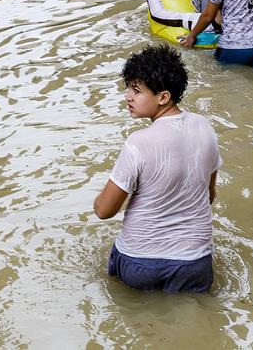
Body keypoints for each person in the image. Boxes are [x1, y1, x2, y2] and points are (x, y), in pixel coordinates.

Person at [94, 45, 221, 294]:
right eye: (129, 88)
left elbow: (105, 211)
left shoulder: (138, 142)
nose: (127, 97)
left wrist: (98, 200)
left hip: (140, 263)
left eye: (137, 91)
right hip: (195, 264)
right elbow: (209, 195)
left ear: (163, 97)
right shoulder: (205, 127)